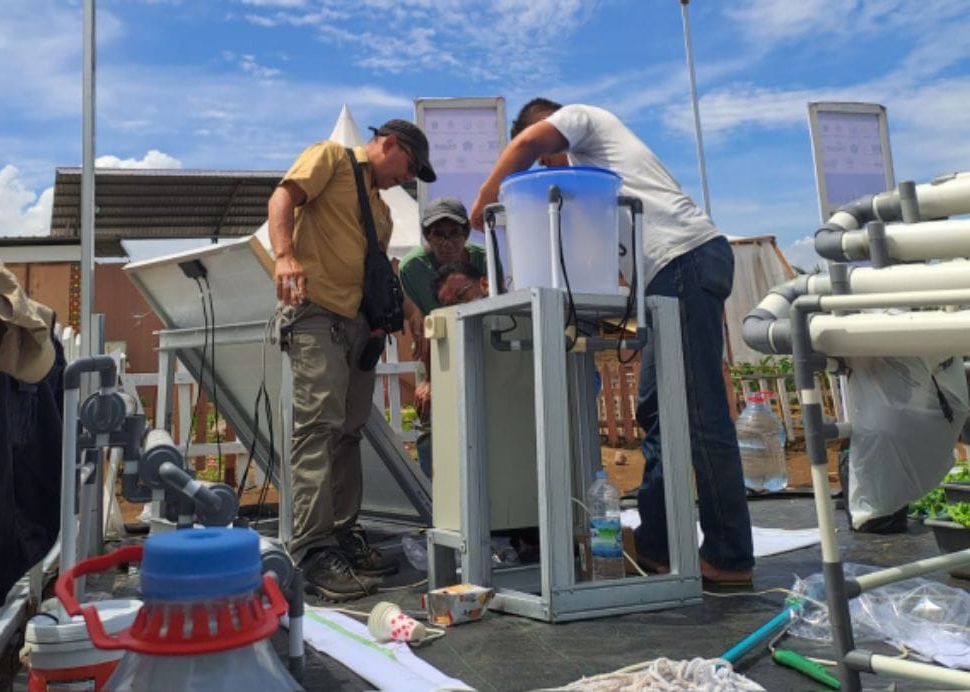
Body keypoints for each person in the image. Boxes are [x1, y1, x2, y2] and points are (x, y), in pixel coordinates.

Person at [470, 98, 754, 585]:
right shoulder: (599, 187)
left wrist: (485, 204)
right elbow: (613, 281)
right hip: (671, 275)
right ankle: (656, 547)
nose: (546, 167)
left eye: (547, 159)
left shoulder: (585, 120)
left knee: (698, 411)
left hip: (684, 260)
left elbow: (528, 142)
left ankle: (730, 557)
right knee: (656, 412)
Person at [268, 118, 437, 600]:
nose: (407, 178)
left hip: (360, 326)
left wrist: (410, 310)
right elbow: (283, 197)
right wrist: (284, 255)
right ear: (391, 144)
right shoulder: (329, 157)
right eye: (410, 167)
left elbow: (378, 267)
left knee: (348, 431)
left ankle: (341, 537)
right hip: (318, 313)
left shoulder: (381, 210)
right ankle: (313, 550)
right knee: (318, 425)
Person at [398, 199, 491, 477]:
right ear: (428, 237)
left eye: (454, 233)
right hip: (435, 349)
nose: (447, 242)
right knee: (431, 415)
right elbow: (426, 328)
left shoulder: (484, 259)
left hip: (482, 346)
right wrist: (430, 379)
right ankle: (435, 493)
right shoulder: (412, 268)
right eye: (438, 234)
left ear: (466, 233)